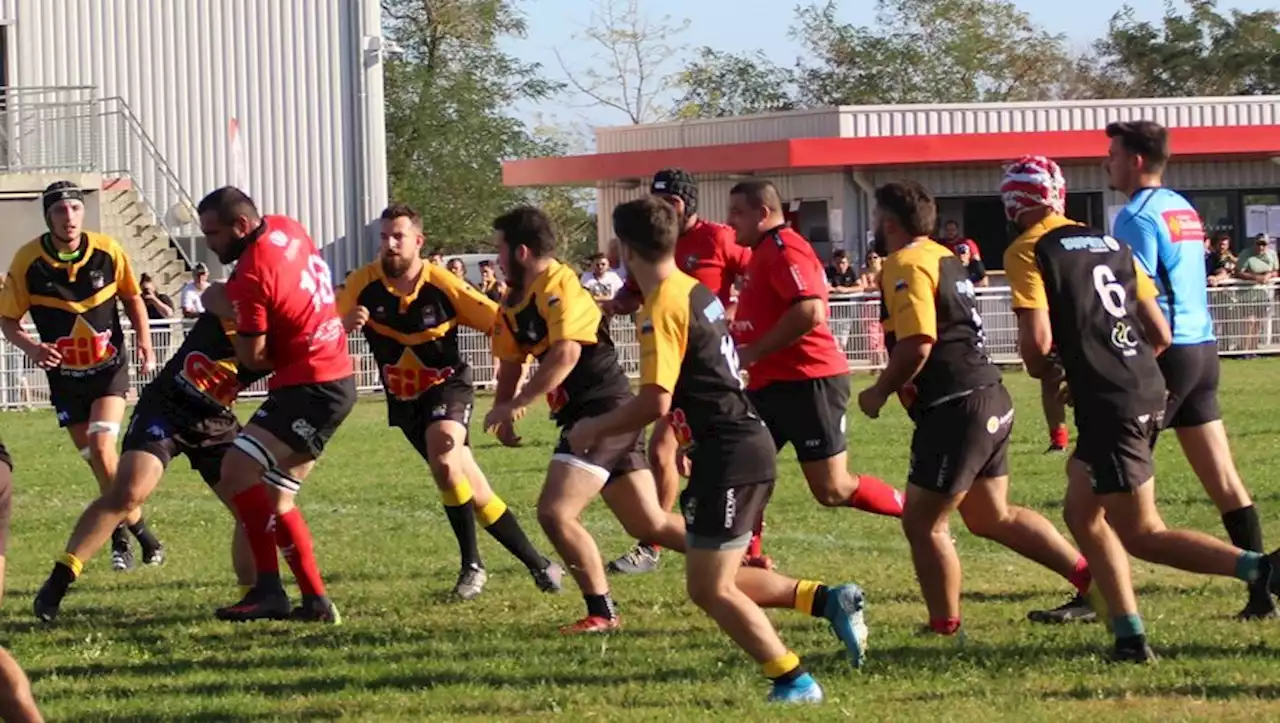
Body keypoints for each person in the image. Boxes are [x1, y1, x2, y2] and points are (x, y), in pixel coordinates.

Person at [568, 196, 869, 702]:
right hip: (729, 444)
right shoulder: (693, 290)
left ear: (625, 247)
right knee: (715, 576)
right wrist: (689, 436)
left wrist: (594, 427)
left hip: (732, 451)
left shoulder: (662, 305)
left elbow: (654, 400)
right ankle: (828, 600)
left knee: (710, 588)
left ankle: (793, 679)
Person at [1001, 155, 1280, 662]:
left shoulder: (1028, 249)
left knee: (1142, 532)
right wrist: (1116, 366)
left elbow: (1037, 347)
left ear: (1014, 202)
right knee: (1082, 511)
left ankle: (1263, 570)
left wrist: (1067, 370)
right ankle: (1128, 636)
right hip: (1147, 383)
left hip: (1113, 401)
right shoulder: (1111, 243)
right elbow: (1160, 333)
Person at [855, 181, 1096, 634]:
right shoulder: (942, 256)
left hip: (956, 405)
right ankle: (1094, 580)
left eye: (874, 217)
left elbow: (918, 344)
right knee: (990, 515)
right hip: (988, 394)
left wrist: (879, 391)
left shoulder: (903, 263)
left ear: (888, 222)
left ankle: (943, 625)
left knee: (923, 521)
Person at [339, 204, 563, 600]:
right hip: (405, 399)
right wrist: (341, 327)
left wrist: (532, 366)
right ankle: (539, 564)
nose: (389, 245)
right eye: (384, 237)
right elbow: (322, 331)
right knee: (469, 485)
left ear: (418, 243)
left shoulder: (444, 284)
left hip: (448, 387)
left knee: (444, 455)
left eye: (398, 237)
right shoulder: (361, 284)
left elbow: (503, 323)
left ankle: (472, 566)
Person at [1105, 121, 1275, 619]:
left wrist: (1129, 358)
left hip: (1168, 353)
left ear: (1136, 160)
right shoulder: (1181, 206)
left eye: (1113, 154)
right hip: (1202, 348)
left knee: (1107, 470)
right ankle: (1261, 597)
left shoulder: (1133, 217)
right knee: (1223, 477)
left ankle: (1092, 592)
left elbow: (1142, 297)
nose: (1107, 162)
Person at [33, 310, 267, 622]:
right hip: (167, 408)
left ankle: (250, 598)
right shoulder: (244, 296)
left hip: (214, 419)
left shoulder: (288, 322)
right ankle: (59, 580)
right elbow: (219, 298)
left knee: (252, 509)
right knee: (128, 492)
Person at [196, 186, 355, 624]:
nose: (210, 243)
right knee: (277, 496)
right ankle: (317, 602)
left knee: (236, 470)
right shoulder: (287, 225)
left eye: (213, 233)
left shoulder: (249, 276)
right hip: (336, 376)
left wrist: (219, 303)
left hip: (310, 385)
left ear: (241, 226)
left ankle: (268, 590)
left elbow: (253, 359)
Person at [0, 181, 163, 572]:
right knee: (97, 463)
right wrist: (34, 348)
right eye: (60, 210)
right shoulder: (28, 260)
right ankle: (140, 534)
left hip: (108, 370)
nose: (69, 216)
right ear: (48, 216)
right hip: (66, 380)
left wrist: (145, 343)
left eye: (75, 208)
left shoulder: (107, 250)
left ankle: (120, 540)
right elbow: (7, 320)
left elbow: (132, 298)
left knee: (103, 446)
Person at [603, 168, 758, 575]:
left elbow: (757, 270)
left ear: (683, 204)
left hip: (705, 368)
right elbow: (634, 292)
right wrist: (617, 303)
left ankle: (653, 541)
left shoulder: (717, 238)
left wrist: (736, 312)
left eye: (667, 201)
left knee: (664, 450)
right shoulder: (654, 250)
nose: (661, 209)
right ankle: (742, 552)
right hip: (689, 372)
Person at [727, 180, 905, 525]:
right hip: (770, 383)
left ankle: (917, 513)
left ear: (763, 214)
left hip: (809, 381)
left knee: (832, 489)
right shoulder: (762, 251)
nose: (730, 220)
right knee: (741, 466)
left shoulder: (783, 248)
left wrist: (754, 351)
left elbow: (810, 311)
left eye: (737, 212)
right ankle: (751, 559)